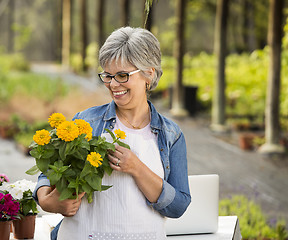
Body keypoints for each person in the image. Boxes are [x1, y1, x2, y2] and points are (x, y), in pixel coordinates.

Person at [33, 26, 191, 240]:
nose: (113, 84)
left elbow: (179, 206)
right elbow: (47, 174)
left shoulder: (171, 134)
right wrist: (47, 201)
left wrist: (136, 168)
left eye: (122, 75)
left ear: (149, 73)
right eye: (107, 75)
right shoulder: (87, 121)